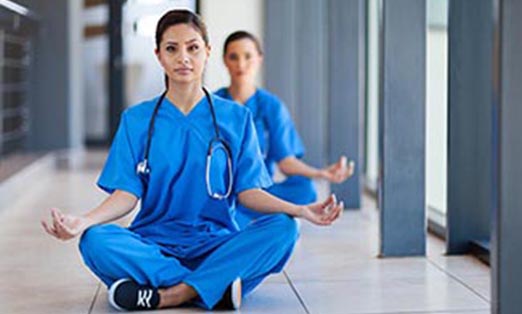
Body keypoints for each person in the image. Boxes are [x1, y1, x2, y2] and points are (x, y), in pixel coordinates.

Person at [40, 9, 344, 312]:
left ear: (207, 52)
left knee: (284, 229)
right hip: (154, 244)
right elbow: (126, 194)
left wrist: (301, 210)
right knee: (95, 240)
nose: (183, 57)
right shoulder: (136, 120)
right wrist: (84, 221)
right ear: (159, 55)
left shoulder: (237, 118)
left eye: (193, 48)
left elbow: (249, 193)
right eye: (172, 49)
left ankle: (167, 295)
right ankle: (214, 287)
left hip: (216, 244)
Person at [215, 31, 355, 228]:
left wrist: (322, 174)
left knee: (304, 189)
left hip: (261, 192)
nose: (241, 64)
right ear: (224, 61)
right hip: (224, 191)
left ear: (259, 59)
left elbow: (286, 162)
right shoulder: (214, 105)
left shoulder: (271, 105)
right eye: (233, 57)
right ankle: (254, 217)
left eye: (248, 56)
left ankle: (251, 215)